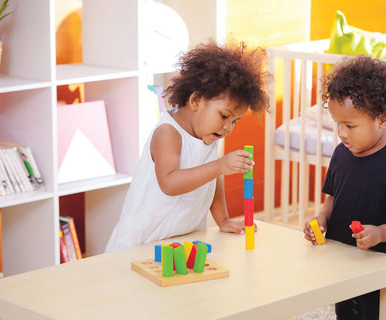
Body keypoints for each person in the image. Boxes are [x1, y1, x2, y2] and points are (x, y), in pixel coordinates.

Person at [106, 42, 269, 252]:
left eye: (235, 121)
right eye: (225, 116)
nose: (228, 127)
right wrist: (220, 166)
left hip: (179, 242)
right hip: (140, 243)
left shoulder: (208, 136)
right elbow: (169, 183)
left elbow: (213, 179)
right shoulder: (168, 133)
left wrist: (223, 219)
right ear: (196, 100)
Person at [303, 55, 386, 320]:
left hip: (383, 267)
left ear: (383, 118)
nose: (342, 133)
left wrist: (381, 233)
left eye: (350, 125)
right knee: (346, 313)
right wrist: (321, 219)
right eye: (338, 124)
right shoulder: (341, 154)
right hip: (346, 262)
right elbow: (333, 198)